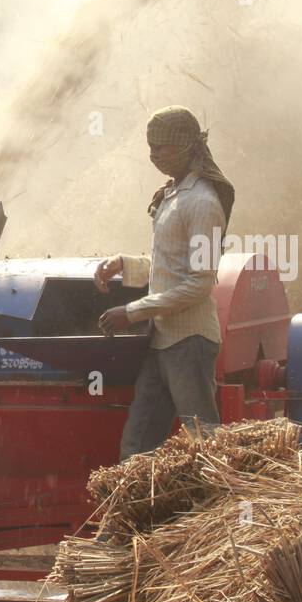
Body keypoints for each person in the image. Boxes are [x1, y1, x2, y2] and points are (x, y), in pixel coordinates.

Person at [95, 105, 236, 460]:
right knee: (138, 446)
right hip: (160, 341)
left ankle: (221, 511)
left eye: (162, 147)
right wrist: (124, 265)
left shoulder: (204, 204)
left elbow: (200, 283)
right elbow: (167, 265)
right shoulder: (172, 196)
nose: (153, 155)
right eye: (150, 146)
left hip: (189, 342)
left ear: (188, 146)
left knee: (204, 443)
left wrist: (133, 311)